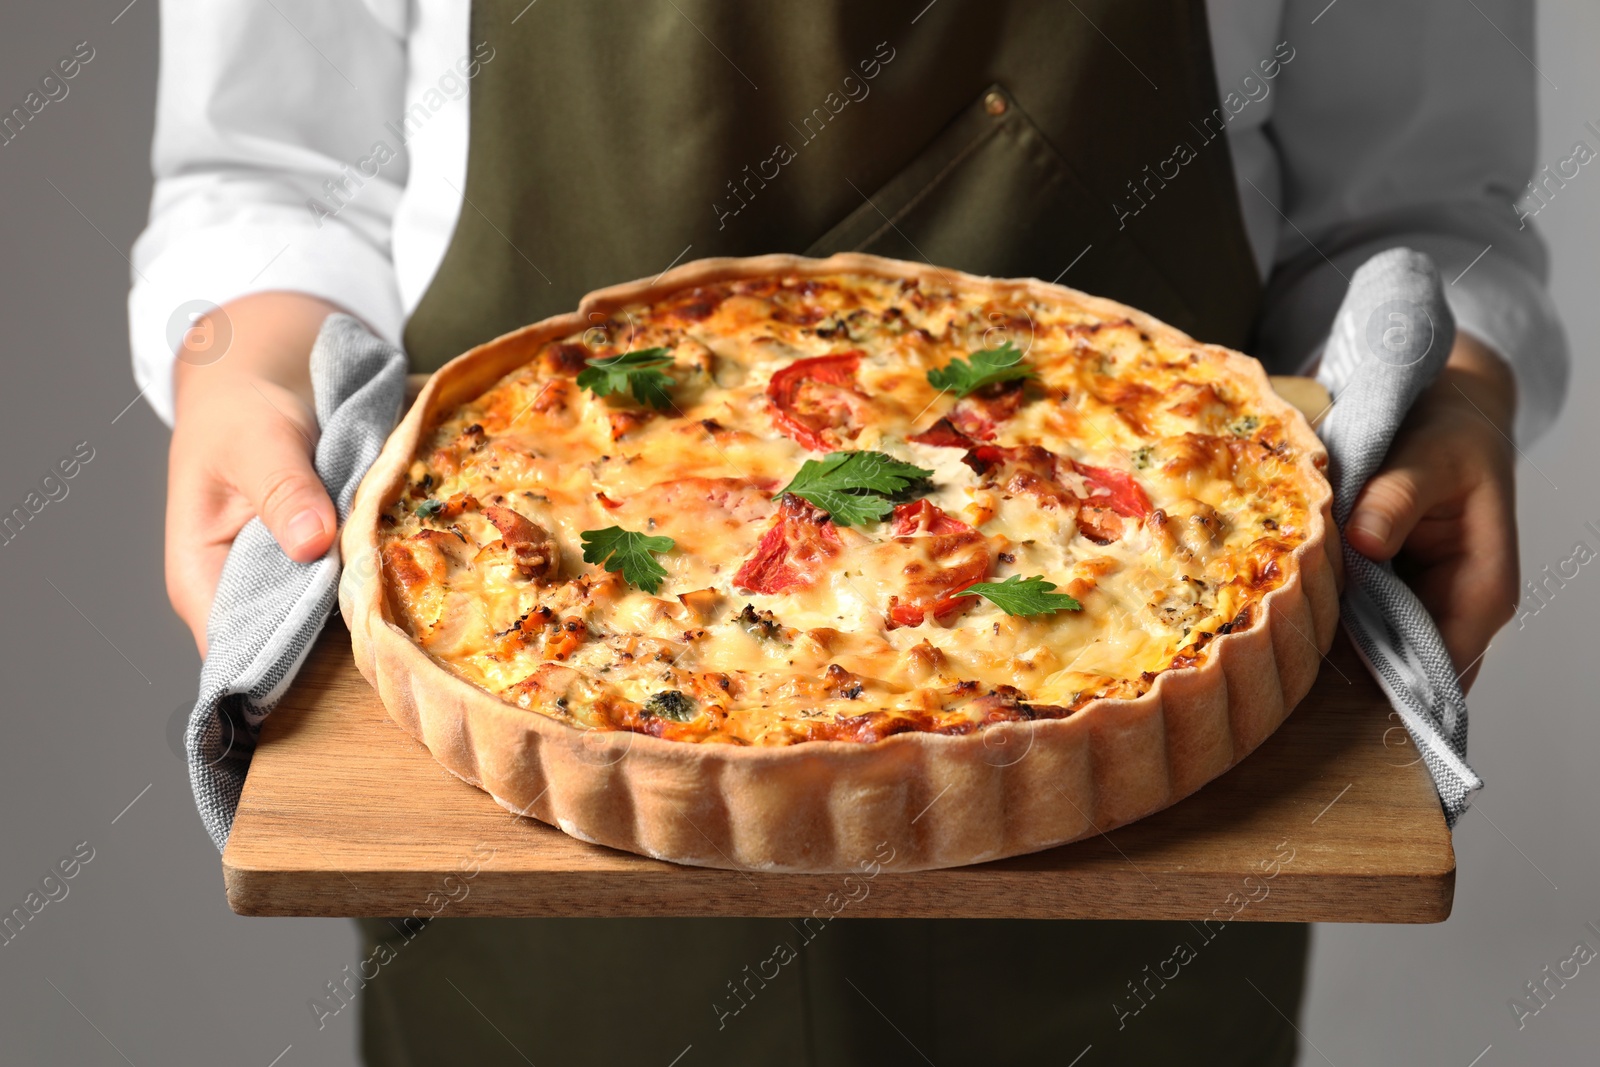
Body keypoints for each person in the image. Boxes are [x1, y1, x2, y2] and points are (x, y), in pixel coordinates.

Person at [132, 2, 1565, 1063]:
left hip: (1136, 876)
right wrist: (246, 368)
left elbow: (1412, 207)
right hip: (530, 854)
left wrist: (1449, 385)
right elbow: (277, 177)